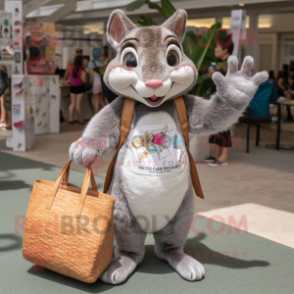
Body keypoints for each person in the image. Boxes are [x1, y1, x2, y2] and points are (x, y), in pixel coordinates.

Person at [204, 33, 234, 167]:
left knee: (224, 127)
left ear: (225, 50)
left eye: (218, 48)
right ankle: (217, 153)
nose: (215, 50)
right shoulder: (221, 63)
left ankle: (224, 156)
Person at [68, 55, 86, 124]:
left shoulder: (71, 68)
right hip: (79, 88)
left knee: (72, 103)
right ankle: (80, 119)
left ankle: (70, 119)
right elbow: (83, 80)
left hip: (72, 87)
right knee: (78, 104)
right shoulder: (81, 69)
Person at [88, 48, 107, 114]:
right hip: (102, 84)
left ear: (93, 54)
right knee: (101, 102)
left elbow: (91, 76)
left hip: (95, 84)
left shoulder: (91, 63)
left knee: (96, 103)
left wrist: (91, 84)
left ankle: (94, 120)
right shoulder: (103, 63)